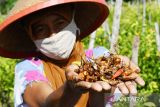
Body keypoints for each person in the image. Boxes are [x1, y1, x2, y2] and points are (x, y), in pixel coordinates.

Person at [0, 0, 145, 107]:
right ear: (31, 35)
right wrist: (71, 88)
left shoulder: (99, 56)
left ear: (73, 19)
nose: (53, 34)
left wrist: (101, 89)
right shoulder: (28, 69)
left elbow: (98, 102)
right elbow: (47, 102)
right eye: (40, 29)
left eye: (60, 23)